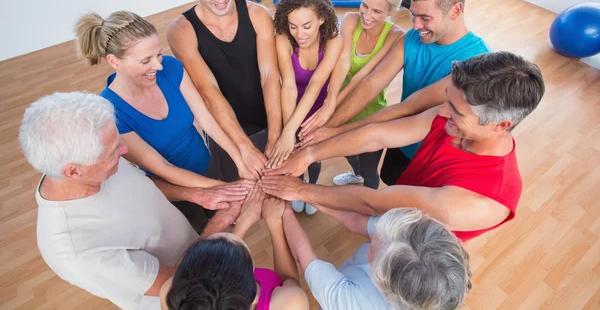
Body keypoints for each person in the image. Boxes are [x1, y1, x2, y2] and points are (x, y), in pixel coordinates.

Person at [262, 52, 545, 241]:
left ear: (501, 125)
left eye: (457, 112)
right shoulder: (452, 116)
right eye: (447, 99)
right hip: (390, 222)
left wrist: (299, 190)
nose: (442, 112)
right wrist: (310, 153)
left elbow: (374, 202)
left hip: (409, 257)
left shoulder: (484, 199)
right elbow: (378, 135)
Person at [20, 92, 247, 309]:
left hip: (194, 248)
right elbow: (177, 284)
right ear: (73, 171)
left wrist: (195, 195)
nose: (125, 149)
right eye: (112, 151)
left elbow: (140, 185)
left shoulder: (93, 165)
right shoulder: (77, 251)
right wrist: (220, 223)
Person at [299, 0, 491, 186]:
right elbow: (370, 84)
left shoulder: (478, 61)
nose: (416, 25)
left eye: (425, 18)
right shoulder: (412, 38)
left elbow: (411, 106)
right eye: (414, 16)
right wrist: (327, 124)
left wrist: (334, 130)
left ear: (455, 11)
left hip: (437, 157)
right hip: (401, 143)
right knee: (390, 184)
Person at [75, 10, 252, 232]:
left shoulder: (170, 68)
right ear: (114, 61)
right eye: (145, 60)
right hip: (174, 191)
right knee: (195, 233)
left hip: (207, 165)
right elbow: (163, 167)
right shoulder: (110, 112)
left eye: (158, 54)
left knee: (221, 216)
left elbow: (205, 119)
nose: (158, 66)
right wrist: (224, 188)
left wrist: (240, 159)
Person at [167, 0, 282, 180]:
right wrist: (245, 147)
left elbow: (270, 75)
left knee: (282, 180)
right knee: (242, 192)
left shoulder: (258, 15)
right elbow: (208, 90)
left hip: (267, 113)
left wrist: (275, 132)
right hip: (223, 127)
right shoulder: (181, 31)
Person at [300, 0, 406, 190]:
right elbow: (343, 63)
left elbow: (363, 77)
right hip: (340, 102)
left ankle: (368, 207)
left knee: (369, 171)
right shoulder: (350, 19)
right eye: (364, 5)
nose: (366, 15)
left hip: (370, 112)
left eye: (377, 11)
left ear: (392, 12)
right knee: (348, 153)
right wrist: (330, 103)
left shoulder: (397, 36)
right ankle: (355, 174)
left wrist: (331, 108)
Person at [283, 206, 471, 309]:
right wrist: (309, 195)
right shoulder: (405, 233)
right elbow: (358, 221)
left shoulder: (352, 303)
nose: (369, 240)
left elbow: (304, 255)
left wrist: (285, 211)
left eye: (372, 250)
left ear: (382, 282)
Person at [162, 187, 309, 310]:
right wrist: (274, 222)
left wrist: (244, 220)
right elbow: (290, 282)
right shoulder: (289, 303)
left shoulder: (174, 295)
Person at [268, 0, 344, 215]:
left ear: (321, 19)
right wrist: (288, 130)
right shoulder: (282, 39)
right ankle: (297, 184)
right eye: (293, 26)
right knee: (292, 151)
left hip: (317, 105)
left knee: (312, 150)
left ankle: (311, 185)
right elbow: (288, 85)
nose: (299, 34)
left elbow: (316, 84)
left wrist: (292, 132)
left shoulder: (333, 42)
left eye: (306, 26)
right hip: (290, 104)